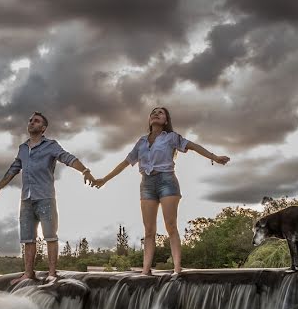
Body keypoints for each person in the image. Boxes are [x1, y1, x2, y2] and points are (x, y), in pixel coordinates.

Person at [93, 107, 230, 275]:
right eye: (153, 113)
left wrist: (214, 158)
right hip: (147, 184)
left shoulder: (171, 137)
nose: (155, 114)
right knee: (149, 230)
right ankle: (145, 270)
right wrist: (104, 179)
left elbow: (193, 146)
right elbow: (125, 162)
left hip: (167, 181)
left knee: (170, 225)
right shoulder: (141, 142)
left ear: (166, 121)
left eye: (160, 113)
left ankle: (177, 268)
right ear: (149, 120)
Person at [0, 112, 95, 283]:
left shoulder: (51, 145)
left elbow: (67, 158)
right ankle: (28, 273)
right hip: (26, 200)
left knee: (50, 236)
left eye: (36, 121)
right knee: (27, 238)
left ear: (43, 128)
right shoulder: (23, 148)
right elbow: (13, 169)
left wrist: (85, 170)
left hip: (45, 197)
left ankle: (52, 273)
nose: (31, 122)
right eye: (30, 120)